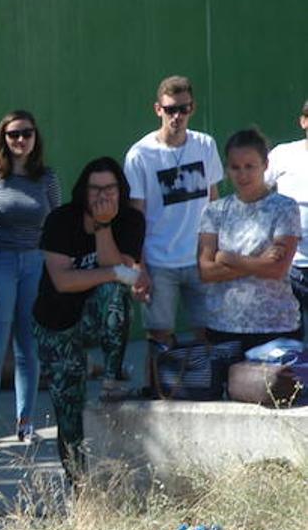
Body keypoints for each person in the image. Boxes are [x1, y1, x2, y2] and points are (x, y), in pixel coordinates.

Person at [33, 158, 149, 484]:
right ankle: (80, 489)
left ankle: (112, 378)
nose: (102, 196)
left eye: (109, 188)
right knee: (68, 412)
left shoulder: (130, 220)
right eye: (95, 189)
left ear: (121, 190)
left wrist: (103, 226)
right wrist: (112, 272)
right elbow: (62, 281)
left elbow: (122, 272)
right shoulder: (61, 220)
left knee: (114, 293)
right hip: (56, 325)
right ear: (83, 191)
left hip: (95, 315)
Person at [0, 111, 60, 447]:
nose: (20, 140)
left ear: (36, 137)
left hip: (34, 262)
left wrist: (52, 275)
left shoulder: (46, 177)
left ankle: (26, 422)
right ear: (2, 139)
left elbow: (56, 228)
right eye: (13, 134)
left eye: (26, 133)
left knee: (28, 349)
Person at [123, 75, 223, 381]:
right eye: (170, 110)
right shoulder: (139, 155)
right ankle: (156, 394)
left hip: (200, 259)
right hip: (158, 262)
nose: (177, 116)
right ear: (157, 109)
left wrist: (216, 253)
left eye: (183, 108)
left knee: (211, 331)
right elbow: (134, 218)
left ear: (192, 108)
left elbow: (214, 201)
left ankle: (211, 387)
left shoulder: (205, 145)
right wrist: (139, 267)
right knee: (159, 336)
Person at [198, 128, 301, 350]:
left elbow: (277, 269)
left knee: (276, 386)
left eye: (250, 166)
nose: (242, 175)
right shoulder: (214, 211)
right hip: (223, 327)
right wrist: (259, 262)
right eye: (235, 167)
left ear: (265, 165)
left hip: (275, 328)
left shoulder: (285, 208)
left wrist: (227, 257)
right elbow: (206, 272)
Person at [264, 98, 308, 330]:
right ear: (303, 121)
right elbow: (256, 193)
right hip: (288, 268)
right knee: (289, 343)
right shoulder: (283, 155)